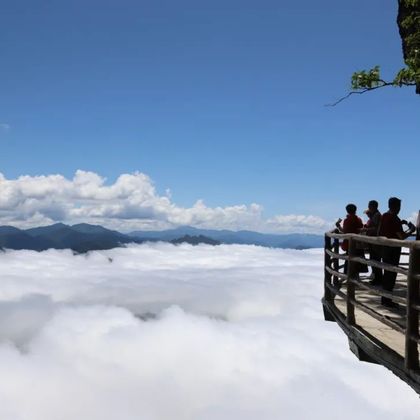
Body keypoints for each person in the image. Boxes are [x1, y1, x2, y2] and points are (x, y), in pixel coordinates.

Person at [378, 197, 415, 308]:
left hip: (384, 248)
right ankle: (387, 300)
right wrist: (411, 230)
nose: (399, 209)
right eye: (399, 206)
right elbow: (401, 236)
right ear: (396, 206)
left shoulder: (384, 216)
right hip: (393, 250)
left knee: (387, 273)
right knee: (391, 274)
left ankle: (385, 299)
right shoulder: (394, 218)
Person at [336, 204, 365, 274]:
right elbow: (360, 229)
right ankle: (355, 277)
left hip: (349, 244)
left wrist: (338, 226)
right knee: (356, 262)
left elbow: (345, 232)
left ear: (347, 211)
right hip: (358, 244)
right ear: (355, 210)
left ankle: (349, 278)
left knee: (349, 260)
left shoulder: (347, 220)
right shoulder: (358, 220)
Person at [362, 200, 382, 285]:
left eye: (369, 206)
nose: (369, 209)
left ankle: (378, 279)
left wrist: (365, 229)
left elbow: (376, 228)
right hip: (373, 241)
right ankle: (377, 279)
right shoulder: (376, 215)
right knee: (374, 260)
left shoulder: (377, 215)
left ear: (373, 207)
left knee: (375, 260)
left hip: (375, 242)